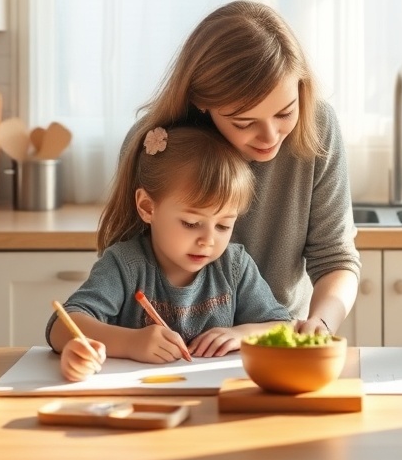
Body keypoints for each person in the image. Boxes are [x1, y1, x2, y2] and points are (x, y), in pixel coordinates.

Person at [100, 0, 361, 335]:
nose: (270, 136)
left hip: (274, 338)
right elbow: (122, 265)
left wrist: (320, 323)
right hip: (171, 350)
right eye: (244, 122)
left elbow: (336, 257)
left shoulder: (318, 125)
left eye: (284, 113)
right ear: (201, 103)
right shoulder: (156, 144)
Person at [48, 125, 292, 381]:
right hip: (139, 399)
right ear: (147, 207)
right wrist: (131, 342)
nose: (208, 240)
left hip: (214, 400)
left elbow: (284, 326)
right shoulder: (125, 264)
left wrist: (242, 335)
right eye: (190, 223)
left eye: (223, 225)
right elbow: (61, 327)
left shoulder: (234, 265)